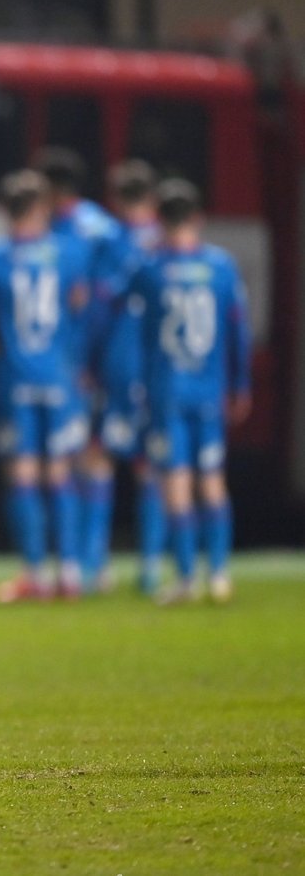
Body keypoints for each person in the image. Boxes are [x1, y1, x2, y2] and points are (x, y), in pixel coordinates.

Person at [0, 170, 89, 602]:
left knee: (23, 475)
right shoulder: (67, 252)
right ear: (42, 208)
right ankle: (70, 572)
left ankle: (34, 573)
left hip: (15, 378)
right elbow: (80, 302)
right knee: (61, 473)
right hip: (59, 377)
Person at [131, 179, 252, 604]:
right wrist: (241, 384)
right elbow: (239, 330)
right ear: (199, 217)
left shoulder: (150, 268)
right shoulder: (222, 266)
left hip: (168, 390)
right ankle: (218, 574)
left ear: (160, 221)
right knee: (213, 480)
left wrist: (138, 388)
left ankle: (185, 578)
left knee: (176, 481)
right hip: (209, 388)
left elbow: (141, 335)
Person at [34, 147, 123, 591]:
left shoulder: (70, 233)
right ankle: (92, 562)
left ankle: (82, 562)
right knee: (91, 457)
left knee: (76, 458)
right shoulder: (106, 227)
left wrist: (89, 361)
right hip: (98, 361)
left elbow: (97, 301)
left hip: (77, 362)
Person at [96, 161, 166, 593]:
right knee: (153, 466)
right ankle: (152, 567)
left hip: (120, 362)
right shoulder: (173, 242)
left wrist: (87, 363)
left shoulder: (111, 242)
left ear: (117, 200)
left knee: (98, 456)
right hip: (163, 367)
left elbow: (98, 307)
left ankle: (91, 564)